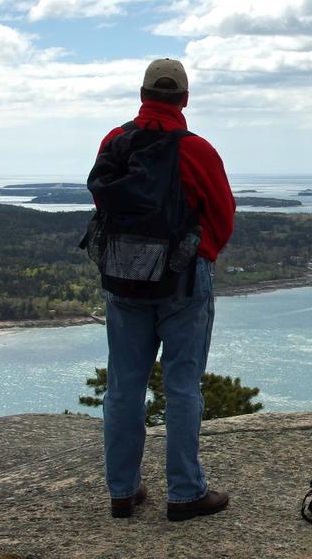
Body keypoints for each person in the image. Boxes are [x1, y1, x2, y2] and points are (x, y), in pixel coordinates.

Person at [93, 58, 236, 520]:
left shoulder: (114, 142)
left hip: (122, 277)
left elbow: (104, 201)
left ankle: (122, 491)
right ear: (185, 99)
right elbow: (222, 215)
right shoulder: (196, 150)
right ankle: (185, 493)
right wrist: (200, 253)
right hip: (182, 281)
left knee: (123, 388)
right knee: (182, 387)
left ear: (142, 95)